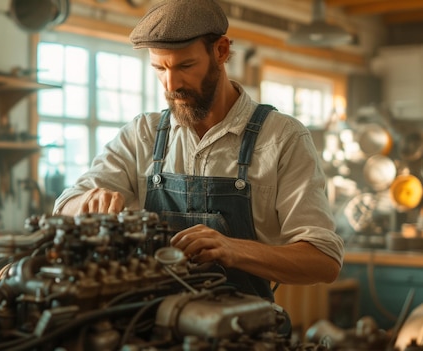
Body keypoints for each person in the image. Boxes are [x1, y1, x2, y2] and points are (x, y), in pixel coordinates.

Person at [52, 0, 344, 302]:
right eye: (159, 69)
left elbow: (324, 260)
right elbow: (64, 207)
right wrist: (87, 203)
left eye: (185, 66)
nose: (171, 83)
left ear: (221, 51)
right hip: (146, 327)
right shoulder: (142, 134)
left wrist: (234, 249)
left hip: (241, 332)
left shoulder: (283, 138)